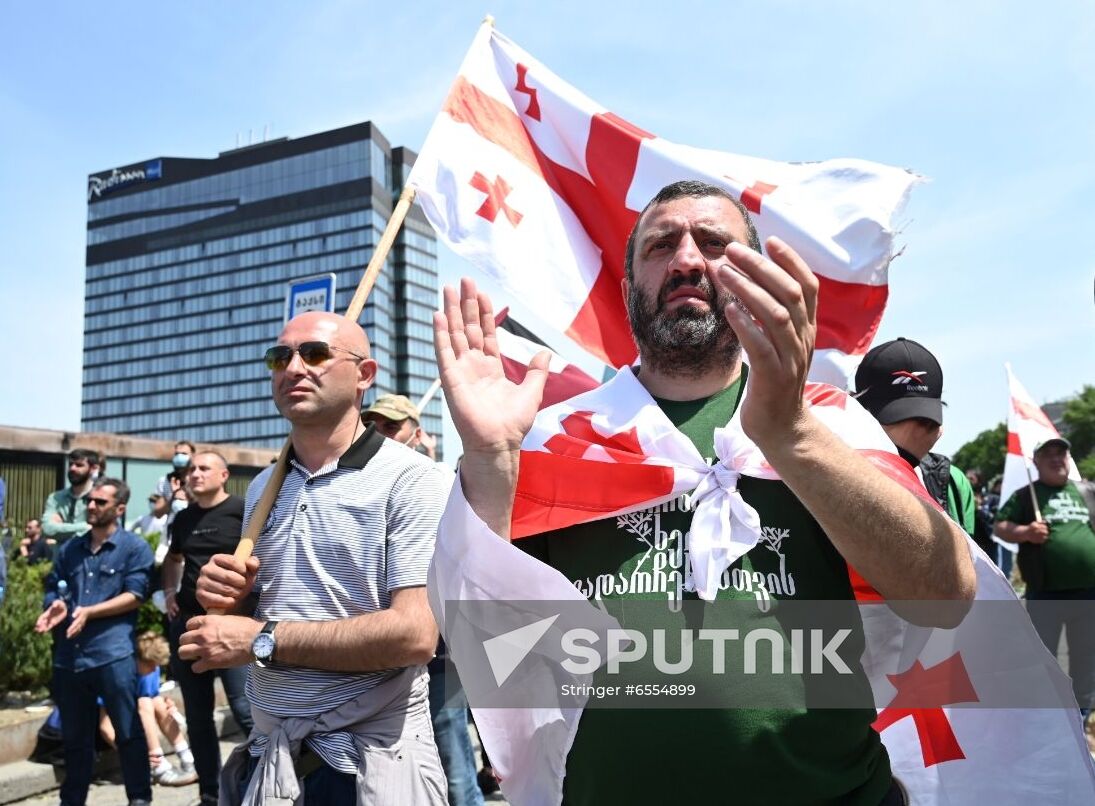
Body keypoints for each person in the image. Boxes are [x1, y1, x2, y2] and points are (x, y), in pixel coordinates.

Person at [435, 180, 975, 805]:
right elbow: (486, 636)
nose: (687, 259)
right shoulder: (554, 438)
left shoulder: (829, 422)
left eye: (713, 244)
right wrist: (489, 459)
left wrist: (790, 434)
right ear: (628, 289)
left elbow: (943, 596)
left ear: (754, 280)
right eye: (661, 245)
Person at [178, 311, 449, 806]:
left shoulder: (415, 479)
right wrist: (230, 600)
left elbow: (414, 635)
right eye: (280, 357)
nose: (294, 368)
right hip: (270, 762)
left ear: (364, 375)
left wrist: (260, 640)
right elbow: (263, 615)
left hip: (365, 765)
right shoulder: (263, 486)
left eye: (316, 354)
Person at [365, 397, 482, 806]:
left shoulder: (435, 478)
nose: (380, 432)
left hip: (442, 636)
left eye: (391, 425)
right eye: (374, 424)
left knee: (447, 734)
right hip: (383, 636)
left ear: (416, 433)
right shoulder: (364, 481)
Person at [34, 477, 155, 806]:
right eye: (89, 500)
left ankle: (139, 799)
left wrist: (90, 611)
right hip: (69, 658)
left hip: (112, 655)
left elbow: (136, 594)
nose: (91, 506)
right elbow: (53, 587)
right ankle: (72, 801)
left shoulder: (134, 548)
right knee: (74, 740)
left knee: (128, 733)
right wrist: (55, 605)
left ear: (119, 508)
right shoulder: (71, 548)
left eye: (100, 502)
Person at [162, 451, 254, 806]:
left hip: (233, 625)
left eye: (204, 468)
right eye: (192, 470)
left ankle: (265, 782)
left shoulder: (243, 510)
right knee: (198, 718)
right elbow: (173, 559)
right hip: (188, 625)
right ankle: (211, 794)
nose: (195, 474)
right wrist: (169, 591)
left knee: (246, 710)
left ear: (224, 475)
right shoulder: (183, 519)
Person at [994, 436, 1095, 716]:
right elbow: (1001, 527)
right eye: (1048, 454)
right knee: (1044, 658)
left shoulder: (1087, 491)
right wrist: (1025, 532)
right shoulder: (1027, 495)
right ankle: (1047, 717)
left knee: (1087, 660)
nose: (1056, 458)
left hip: (1089, 594)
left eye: (1061, 453)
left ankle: (1082, 716)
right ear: (1036, 461)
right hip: (1046, 593)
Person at [852, 337, 981, 549]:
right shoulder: (836, 467)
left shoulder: (952, 480)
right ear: (861, 411)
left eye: (922, 421)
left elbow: (967, 561)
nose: (914, 432)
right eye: (895, 419)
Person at [99, 632, 198, 787]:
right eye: (151, 665)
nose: (154, 670)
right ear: (137, 660)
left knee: (158, 702)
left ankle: (186, 757)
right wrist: (135, 755)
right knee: (144, 703)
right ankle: (157, 766)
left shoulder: (150, 669)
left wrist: (168, 706)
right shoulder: (117, 676)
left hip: (133, 725)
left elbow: (154, 700)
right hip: (108, 732)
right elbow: (105, 727)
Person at [42, 448, 102, 546]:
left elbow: (102, 533)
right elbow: (47, 529)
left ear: (94, 469)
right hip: (62, 558)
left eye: (79, 465)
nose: (72, 468)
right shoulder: (56, 498)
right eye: (70, 464)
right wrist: (85, 527)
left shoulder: (101, 499)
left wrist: (61, 528)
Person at [362, 393, 437, 460]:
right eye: (371, 427)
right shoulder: (354, 470)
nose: (377, 435)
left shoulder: (427, 473)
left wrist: (430, 451)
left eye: (390, 427)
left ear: (417, 436)